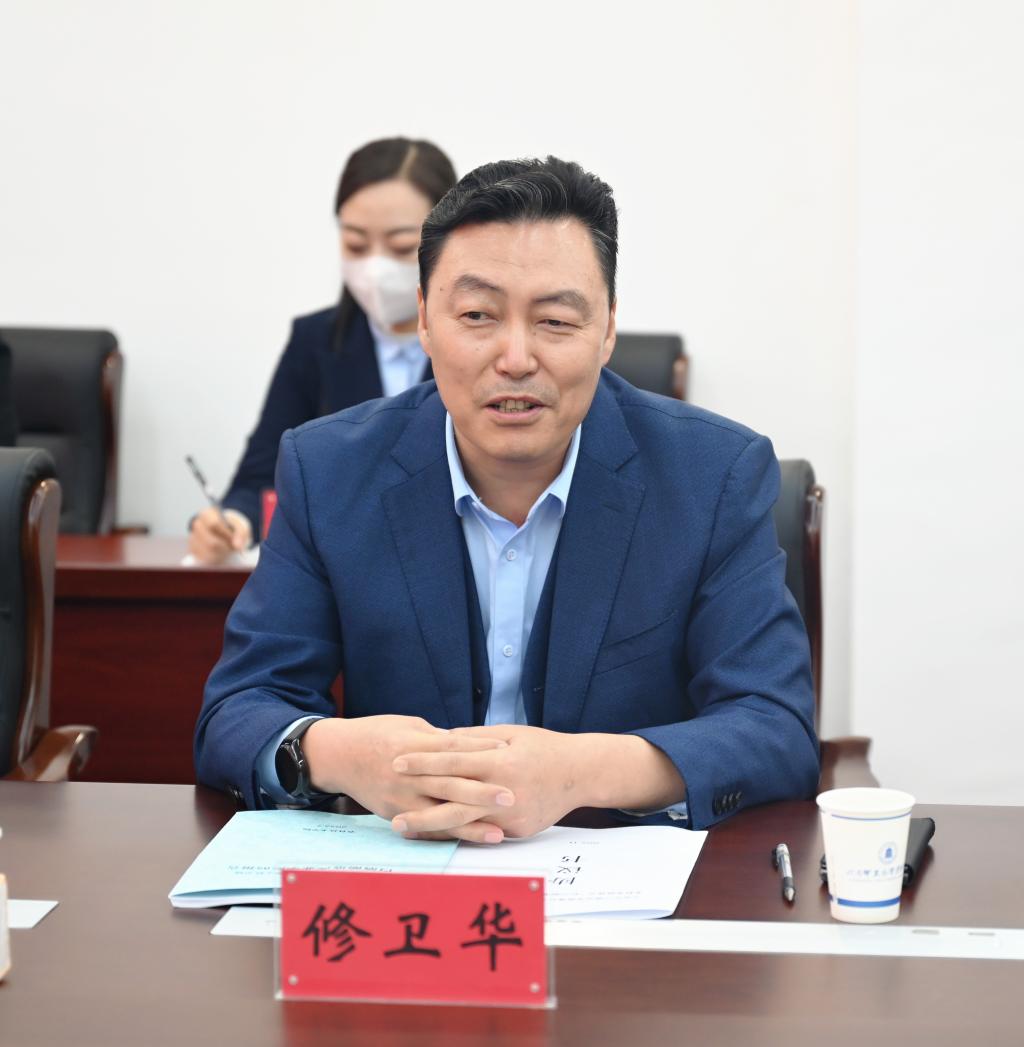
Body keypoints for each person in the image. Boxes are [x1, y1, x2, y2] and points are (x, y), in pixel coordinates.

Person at [195, 156, 819, 838]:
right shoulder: (329, 470)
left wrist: (584, 771)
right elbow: (238, 709)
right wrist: (340, 754)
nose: (516, 357)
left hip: (618, 873)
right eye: (477, 315)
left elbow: (775, 726)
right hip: (408, 870)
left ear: (608, 329)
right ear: (424, 319)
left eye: (555, 321)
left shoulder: (712, 477)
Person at [188, 137, 457, 563]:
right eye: (355, 244)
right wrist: (232, 521)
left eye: (402, 246)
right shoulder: (314, 342)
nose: (376, 267)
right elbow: (261, 477)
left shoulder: (481, 345)